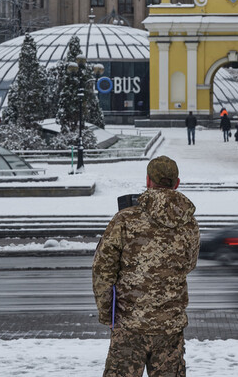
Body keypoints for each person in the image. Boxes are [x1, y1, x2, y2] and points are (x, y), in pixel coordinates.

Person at [92, 156, 199, 377]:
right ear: (176, 183)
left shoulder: (125, 219)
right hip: (169, 328)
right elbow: (189, 264)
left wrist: (108, 315)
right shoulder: (189, 222)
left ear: (148, 181)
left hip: (129, 326)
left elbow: (103, 271)